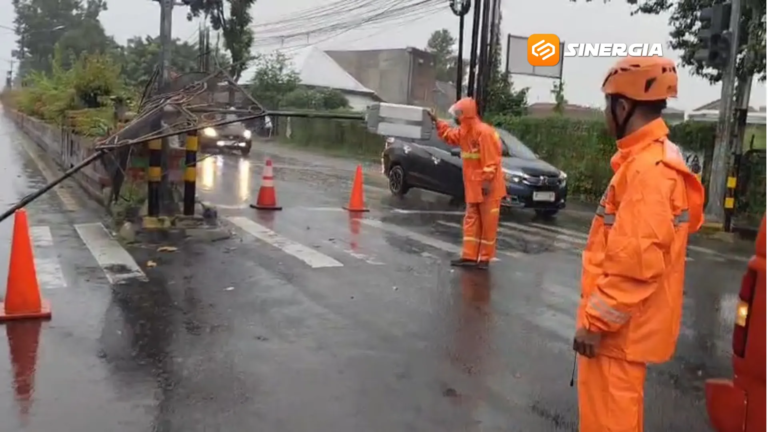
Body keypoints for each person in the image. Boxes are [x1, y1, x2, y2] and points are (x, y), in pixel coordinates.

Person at [572, 56, 705, 432]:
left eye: (608, 105)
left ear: (623, 106)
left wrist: (595, 325)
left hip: (616, 340)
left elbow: (635, 268)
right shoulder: (649, 162)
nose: (605, 115)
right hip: (620, 338)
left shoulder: (648, 173)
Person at [427, 97, 506, 269]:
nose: (456, 116)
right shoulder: (466, 131)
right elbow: (449, 135)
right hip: (474, 187)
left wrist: (486, 183)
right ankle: (470, 256)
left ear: (465, 114)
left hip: (488, 188)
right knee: (472, 221)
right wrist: (437, 122)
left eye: (458, 113)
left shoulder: (484, 133)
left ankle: (484, 259)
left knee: (488, 224)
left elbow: (492, 161)